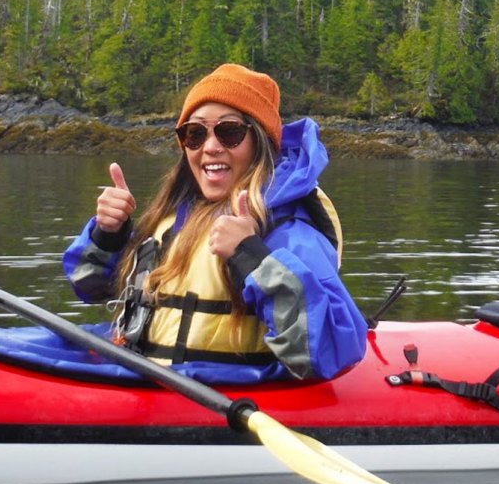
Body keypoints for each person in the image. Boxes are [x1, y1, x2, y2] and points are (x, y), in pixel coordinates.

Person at [62, 63, 367, 383]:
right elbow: (89, 286)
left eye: (229, 131)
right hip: (144, 378)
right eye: (194, 133)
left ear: (260, 141)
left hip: (222, 391)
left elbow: (330, 351)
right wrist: (109, 234)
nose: (210, 146)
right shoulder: (173, 218)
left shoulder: (288, 230)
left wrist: (250, 257)